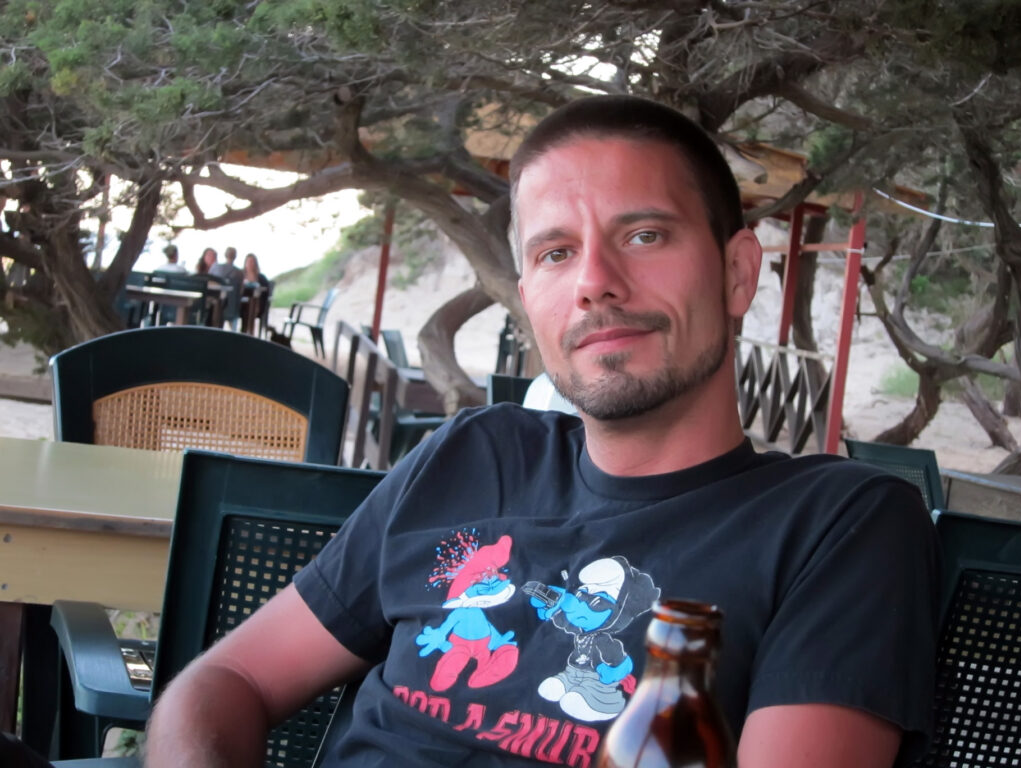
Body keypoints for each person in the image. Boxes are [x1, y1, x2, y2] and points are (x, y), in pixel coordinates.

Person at [145, 96, 940, 768]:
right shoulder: (471, 455)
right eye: (557, 253)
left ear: (735, 273)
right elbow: (229, 681)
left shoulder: (840, 525)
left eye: (644, 235)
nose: (595, 282)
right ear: (530, 300)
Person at [209, 246, 244, 329]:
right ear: (235, 256)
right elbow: (241, 292)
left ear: (225, 254)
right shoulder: (239, 272)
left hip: (213, 303)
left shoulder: (215, 267)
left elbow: (209, 282)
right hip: (231, 307)